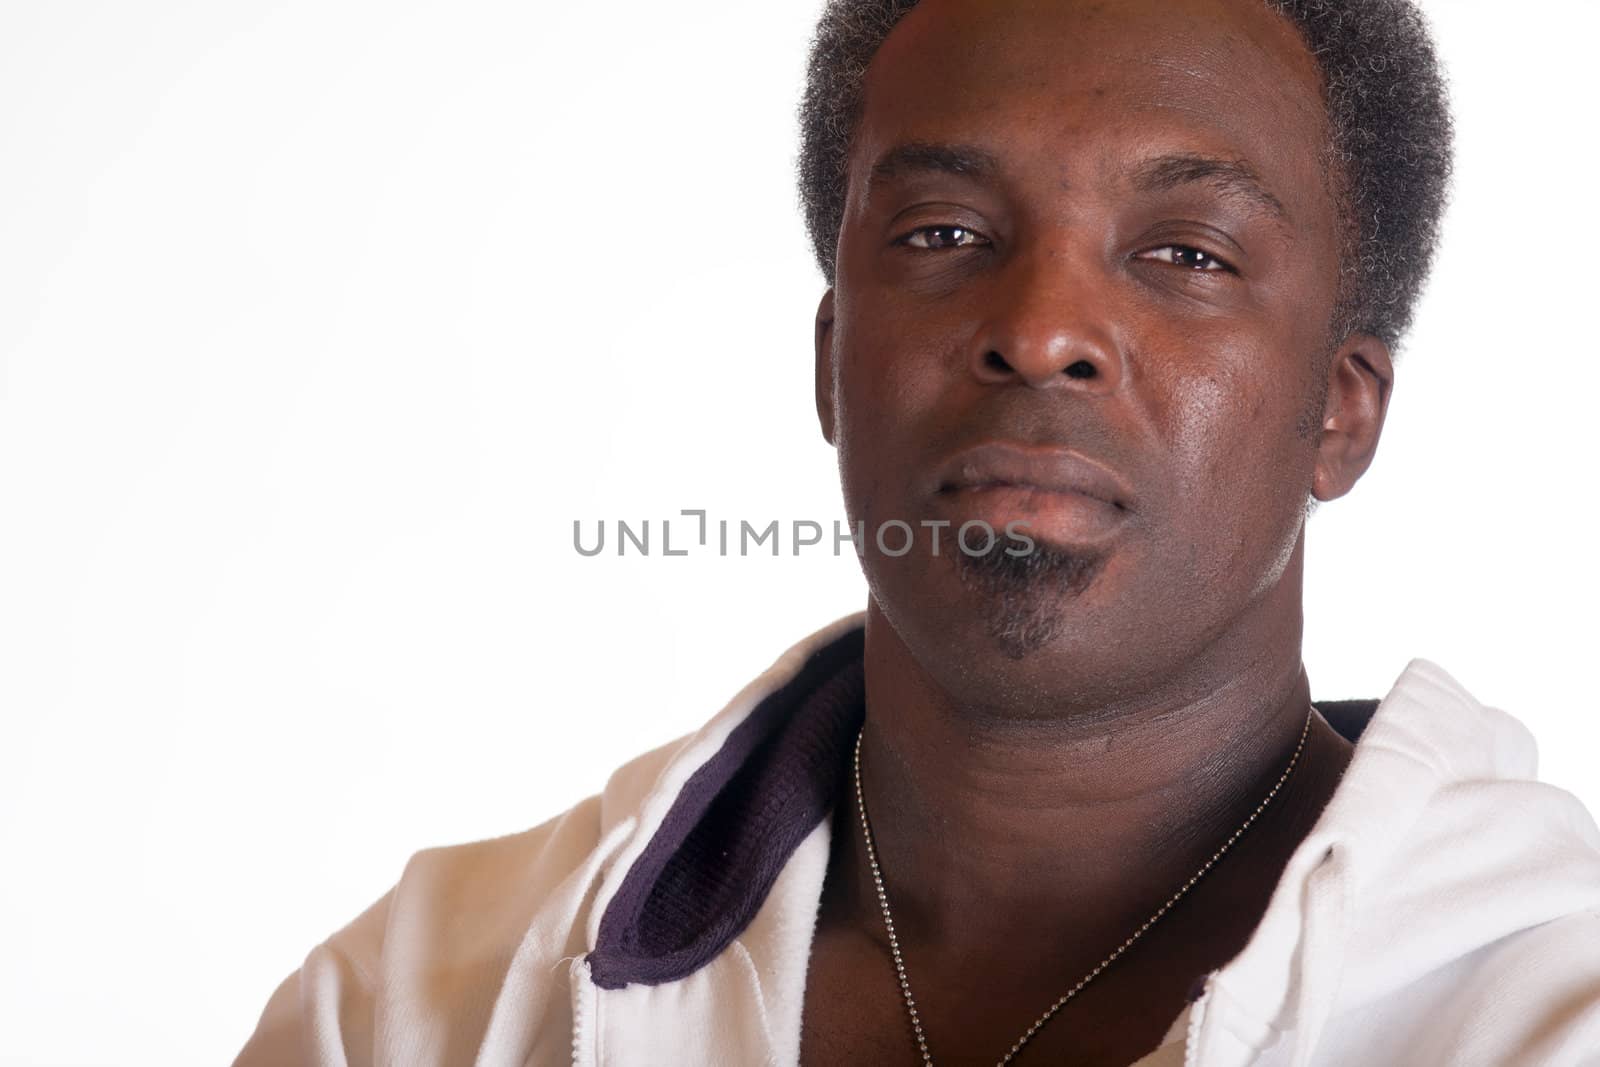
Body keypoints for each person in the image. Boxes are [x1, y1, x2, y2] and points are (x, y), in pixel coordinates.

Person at [235, 0, 1600, 1064]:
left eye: (1186, 252)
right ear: (833, 361)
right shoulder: (412, 1012)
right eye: (946, 231)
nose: (1041, 329)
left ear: (1340, 415)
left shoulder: (1547, 1010)